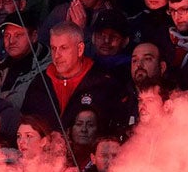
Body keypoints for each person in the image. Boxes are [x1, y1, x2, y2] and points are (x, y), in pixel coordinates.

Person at [21, 21, 119, 163]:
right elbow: (26, 124)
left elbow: (110, 133)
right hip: (44, 165)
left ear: (80, 49)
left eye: (64, 48)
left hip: (89, 166)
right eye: (53, 48)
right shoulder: (40, 83)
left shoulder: (103, 84)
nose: (57, 55)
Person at [0, 10, 49, 111]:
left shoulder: (47, 68)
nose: (11, 41)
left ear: (33, 36)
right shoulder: (0, 67)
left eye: (18, 35)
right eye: (7, 35)